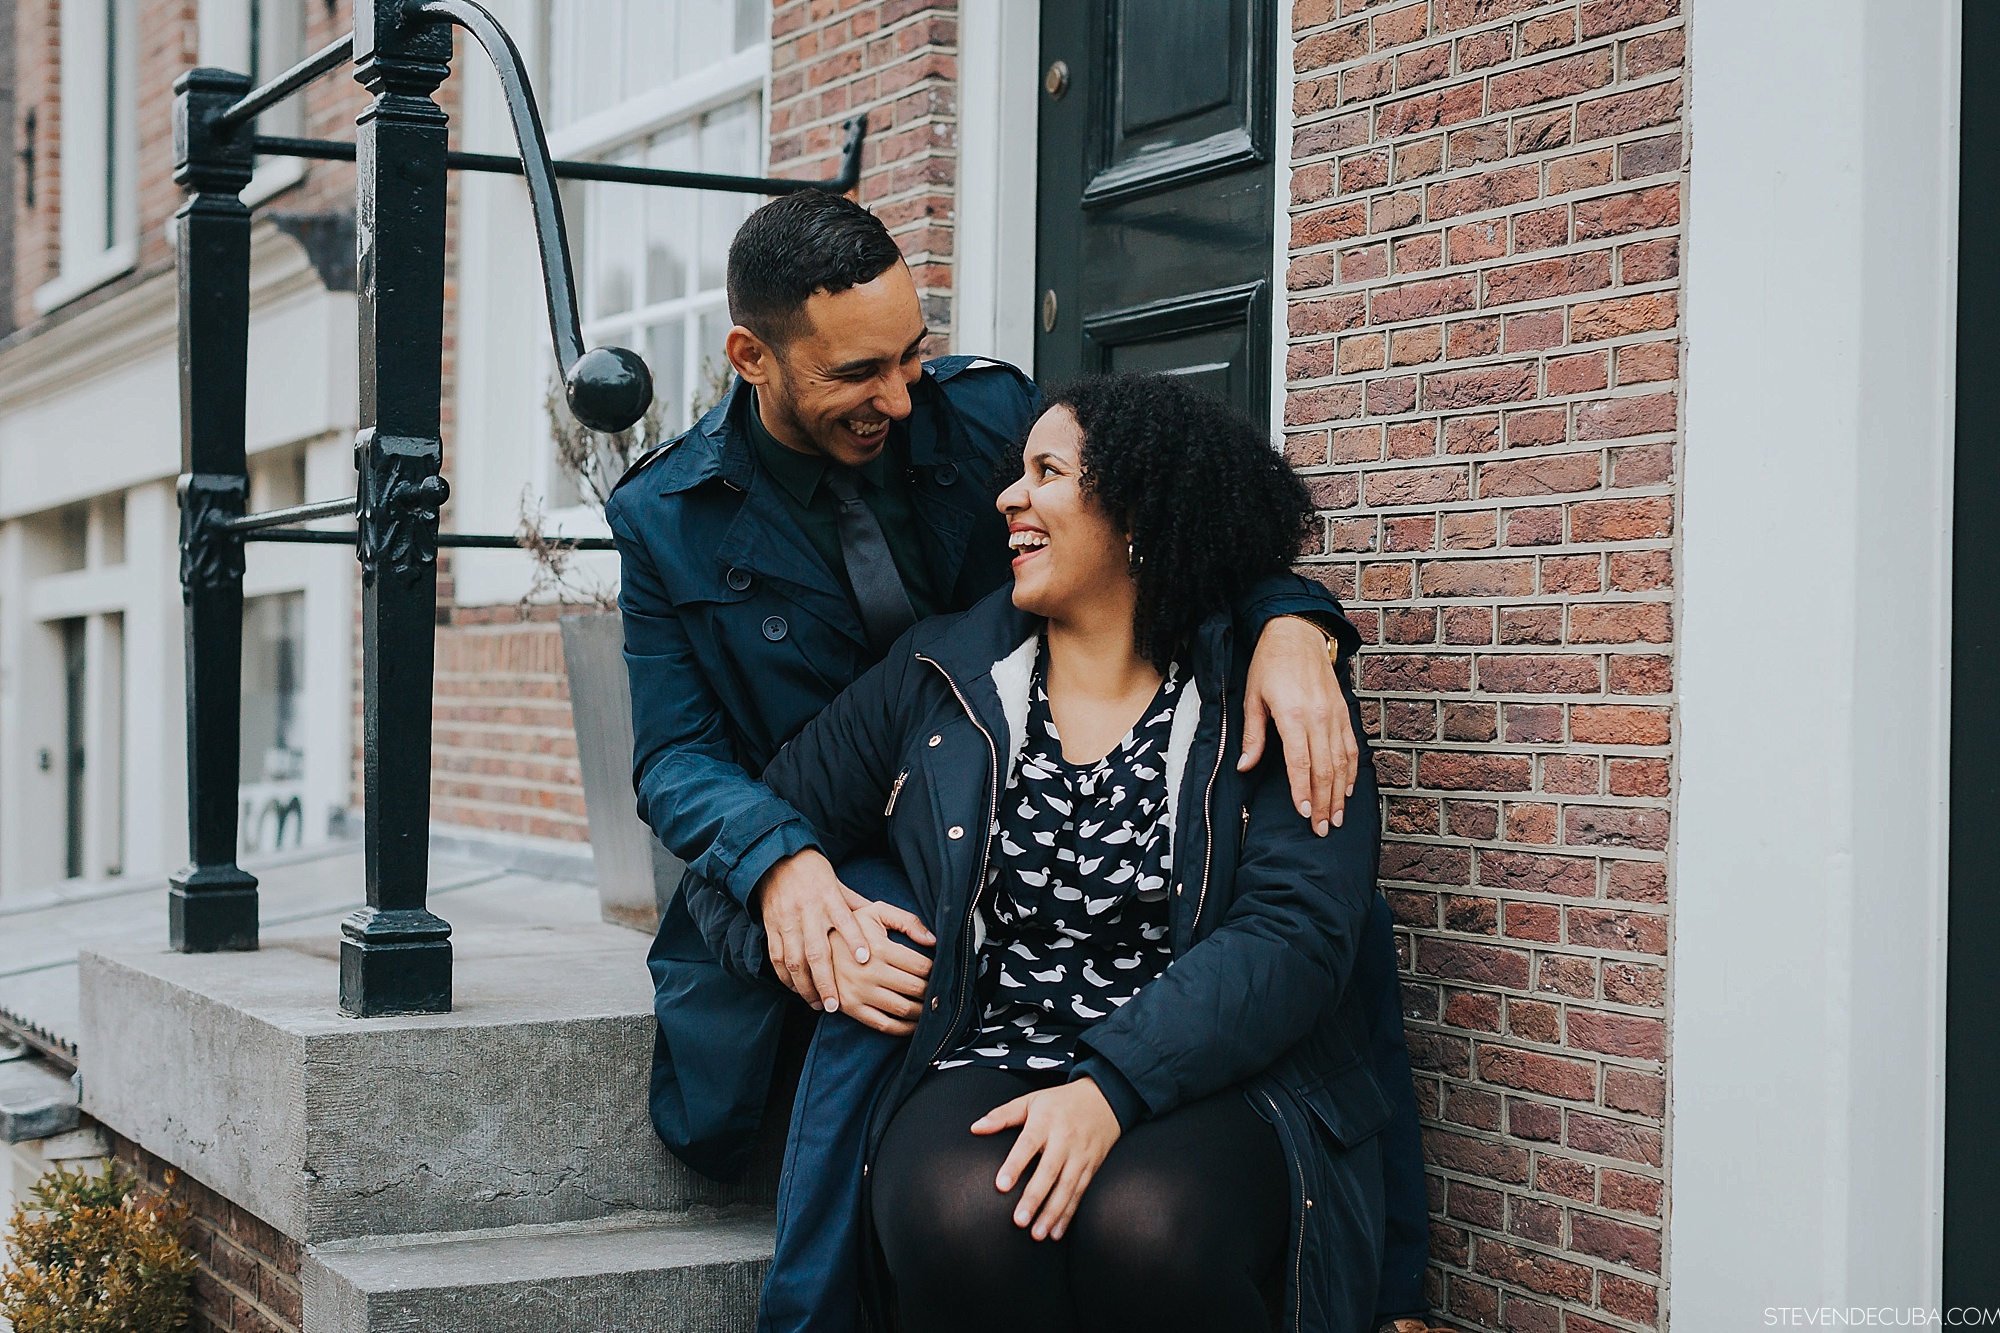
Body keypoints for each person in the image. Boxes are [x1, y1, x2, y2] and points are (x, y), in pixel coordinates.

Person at [604, 190, 1432, 1332]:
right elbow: (676, 759)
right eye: (857, 374)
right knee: (887, 972)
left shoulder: (989, 418)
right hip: (872, 831)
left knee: (1156, 1218)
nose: (898, 398)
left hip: (1071, 887)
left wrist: (1294, 623)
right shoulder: (668, 518)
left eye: (911, 356)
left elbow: (1177, 496)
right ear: (751, 356)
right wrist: (779, 866)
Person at [749, 372, 1387, 1331]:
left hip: (1220, 1071)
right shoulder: (941, 673)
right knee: (962, 1214)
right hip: (996, 1044)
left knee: (1150, 1227)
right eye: (1017, 469)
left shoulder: (1267, 692)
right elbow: (764, 816)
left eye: (1048, 471)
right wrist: (785, 885)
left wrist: (1110, 1086)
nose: (1010, 495)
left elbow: (1300, 936)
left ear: (1136, 511)